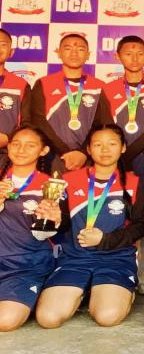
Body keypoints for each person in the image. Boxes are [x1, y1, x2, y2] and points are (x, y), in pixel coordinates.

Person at [35, 124, 144, 328]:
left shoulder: (134, 182)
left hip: (116, 260)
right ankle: (84, 291)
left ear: (123, 147)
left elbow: (140, 226)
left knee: (107, 316)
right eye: (97, 144)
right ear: (88, 149)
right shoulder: (68, 180)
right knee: (47, 318)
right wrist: (55, 219)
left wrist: (105, 240)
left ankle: (118, 292)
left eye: (112, 144)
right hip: (75, 259)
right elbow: (63, 224)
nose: (105, 150)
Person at [105, 35, 144, 294]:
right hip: (116, 159)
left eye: (140, 53)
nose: (134, 58)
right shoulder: (108, 89)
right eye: (128, 53)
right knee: (120, 210)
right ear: (117, 56)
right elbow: (105, 125)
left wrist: (128, 153)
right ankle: (120, 268)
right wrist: (120, 154)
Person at [30, 34, 112, 174]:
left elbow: (102, 123)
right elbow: (38, 121)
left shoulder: (99, 86)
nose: (74, 53)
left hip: (88, 157)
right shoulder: (43, 83)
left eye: (80, 49)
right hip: (53, 155)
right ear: (58, 53)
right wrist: (65, 151)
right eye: (68, 48)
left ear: (88, 55)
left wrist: (83, 152)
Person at [0, 126, 54, 331]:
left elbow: (50, 235)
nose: (21, 150)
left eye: (30, 145)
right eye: (16, 144)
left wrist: (51, 220)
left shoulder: (51, 186)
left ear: (43, 150)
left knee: (5, 321)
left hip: (25, 266)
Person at [0, 28, 32, 167]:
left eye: (3, 44)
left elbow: (27, 122)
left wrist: (8, 138)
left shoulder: (21, 85)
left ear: (11, 52)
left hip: (7, 155)